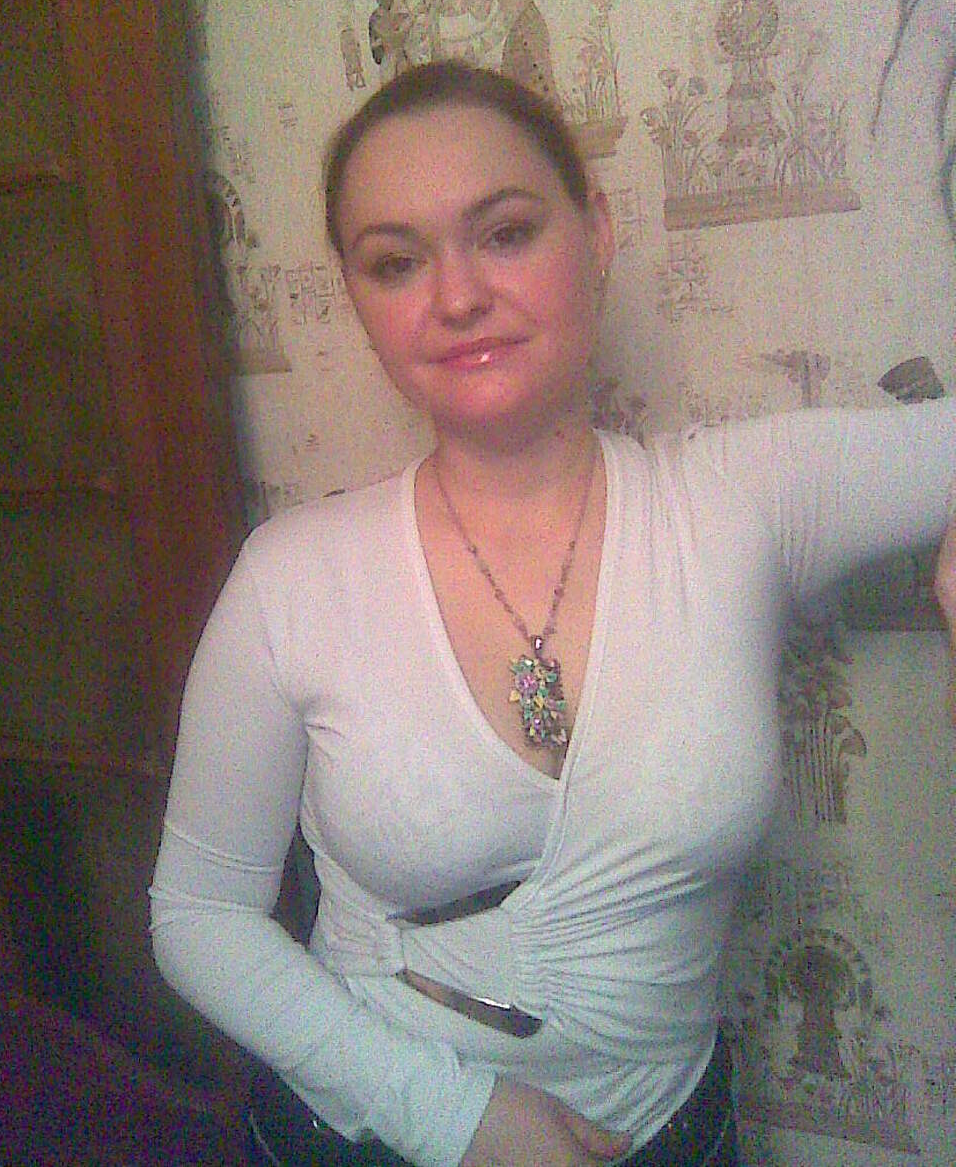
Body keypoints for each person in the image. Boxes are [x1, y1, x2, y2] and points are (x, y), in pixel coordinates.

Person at [150, 60, 955, 1167]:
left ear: (597, 230)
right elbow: (198, 915)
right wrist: (449, 1115)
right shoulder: (289, 579)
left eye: (506, 232)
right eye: (396, 261)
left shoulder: (742, 503)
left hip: (674, 1132)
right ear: (358, 299)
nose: (456, 296)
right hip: (364, 1136)